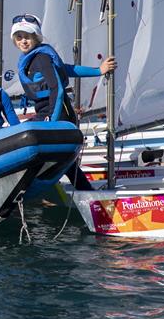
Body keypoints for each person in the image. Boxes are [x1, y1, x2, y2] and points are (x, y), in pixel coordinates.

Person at [11, 13, 116, 188]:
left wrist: (51, 122)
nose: (23, 41)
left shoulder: (41, 58)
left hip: (59, 114)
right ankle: (80, 189)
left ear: (36, 37)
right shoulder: (32, 58)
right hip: (48, 112)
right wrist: (97, 70)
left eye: (28, 37)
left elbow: (57, 90)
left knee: (55, 156)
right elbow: (66, 69)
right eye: (19, 37)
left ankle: (43, 188)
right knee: (64, 162)